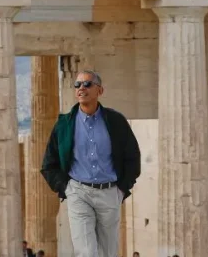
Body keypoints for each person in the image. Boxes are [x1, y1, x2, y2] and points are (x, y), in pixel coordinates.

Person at [40, 69, 141, 257]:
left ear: (99, 91)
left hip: (110, 192)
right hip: (78, 192)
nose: (81, 88)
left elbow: (132, 156)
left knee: (108, 251)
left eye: (87, 84)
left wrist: (121, 189)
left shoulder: (116, 121)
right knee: (86, 252)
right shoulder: (64, 124)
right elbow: (48, 163)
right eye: (77, 85)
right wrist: (66, 187)